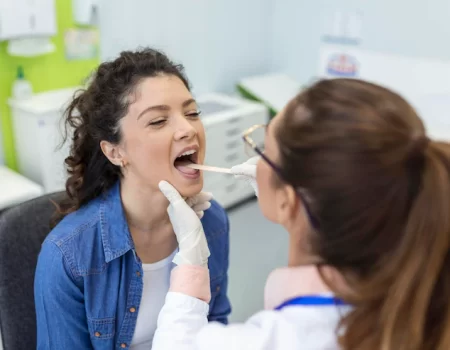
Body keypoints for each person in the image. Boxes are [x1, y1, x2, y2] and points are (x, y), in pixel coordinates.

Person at [151, 78, 450, 350]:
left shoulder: (282, 339)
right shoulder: (419, 297)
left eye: (264, 150)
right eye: (158, 120)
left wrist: (190, 267)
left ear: (288, 200)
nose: (188, 129)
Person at [34, 48, 231, 349]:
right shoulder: (68, 255)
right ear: (115, 152)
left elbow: (215, 328)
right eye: (158, 121)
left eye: (192, 113)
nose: (188, 129)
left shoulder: (211, 221)